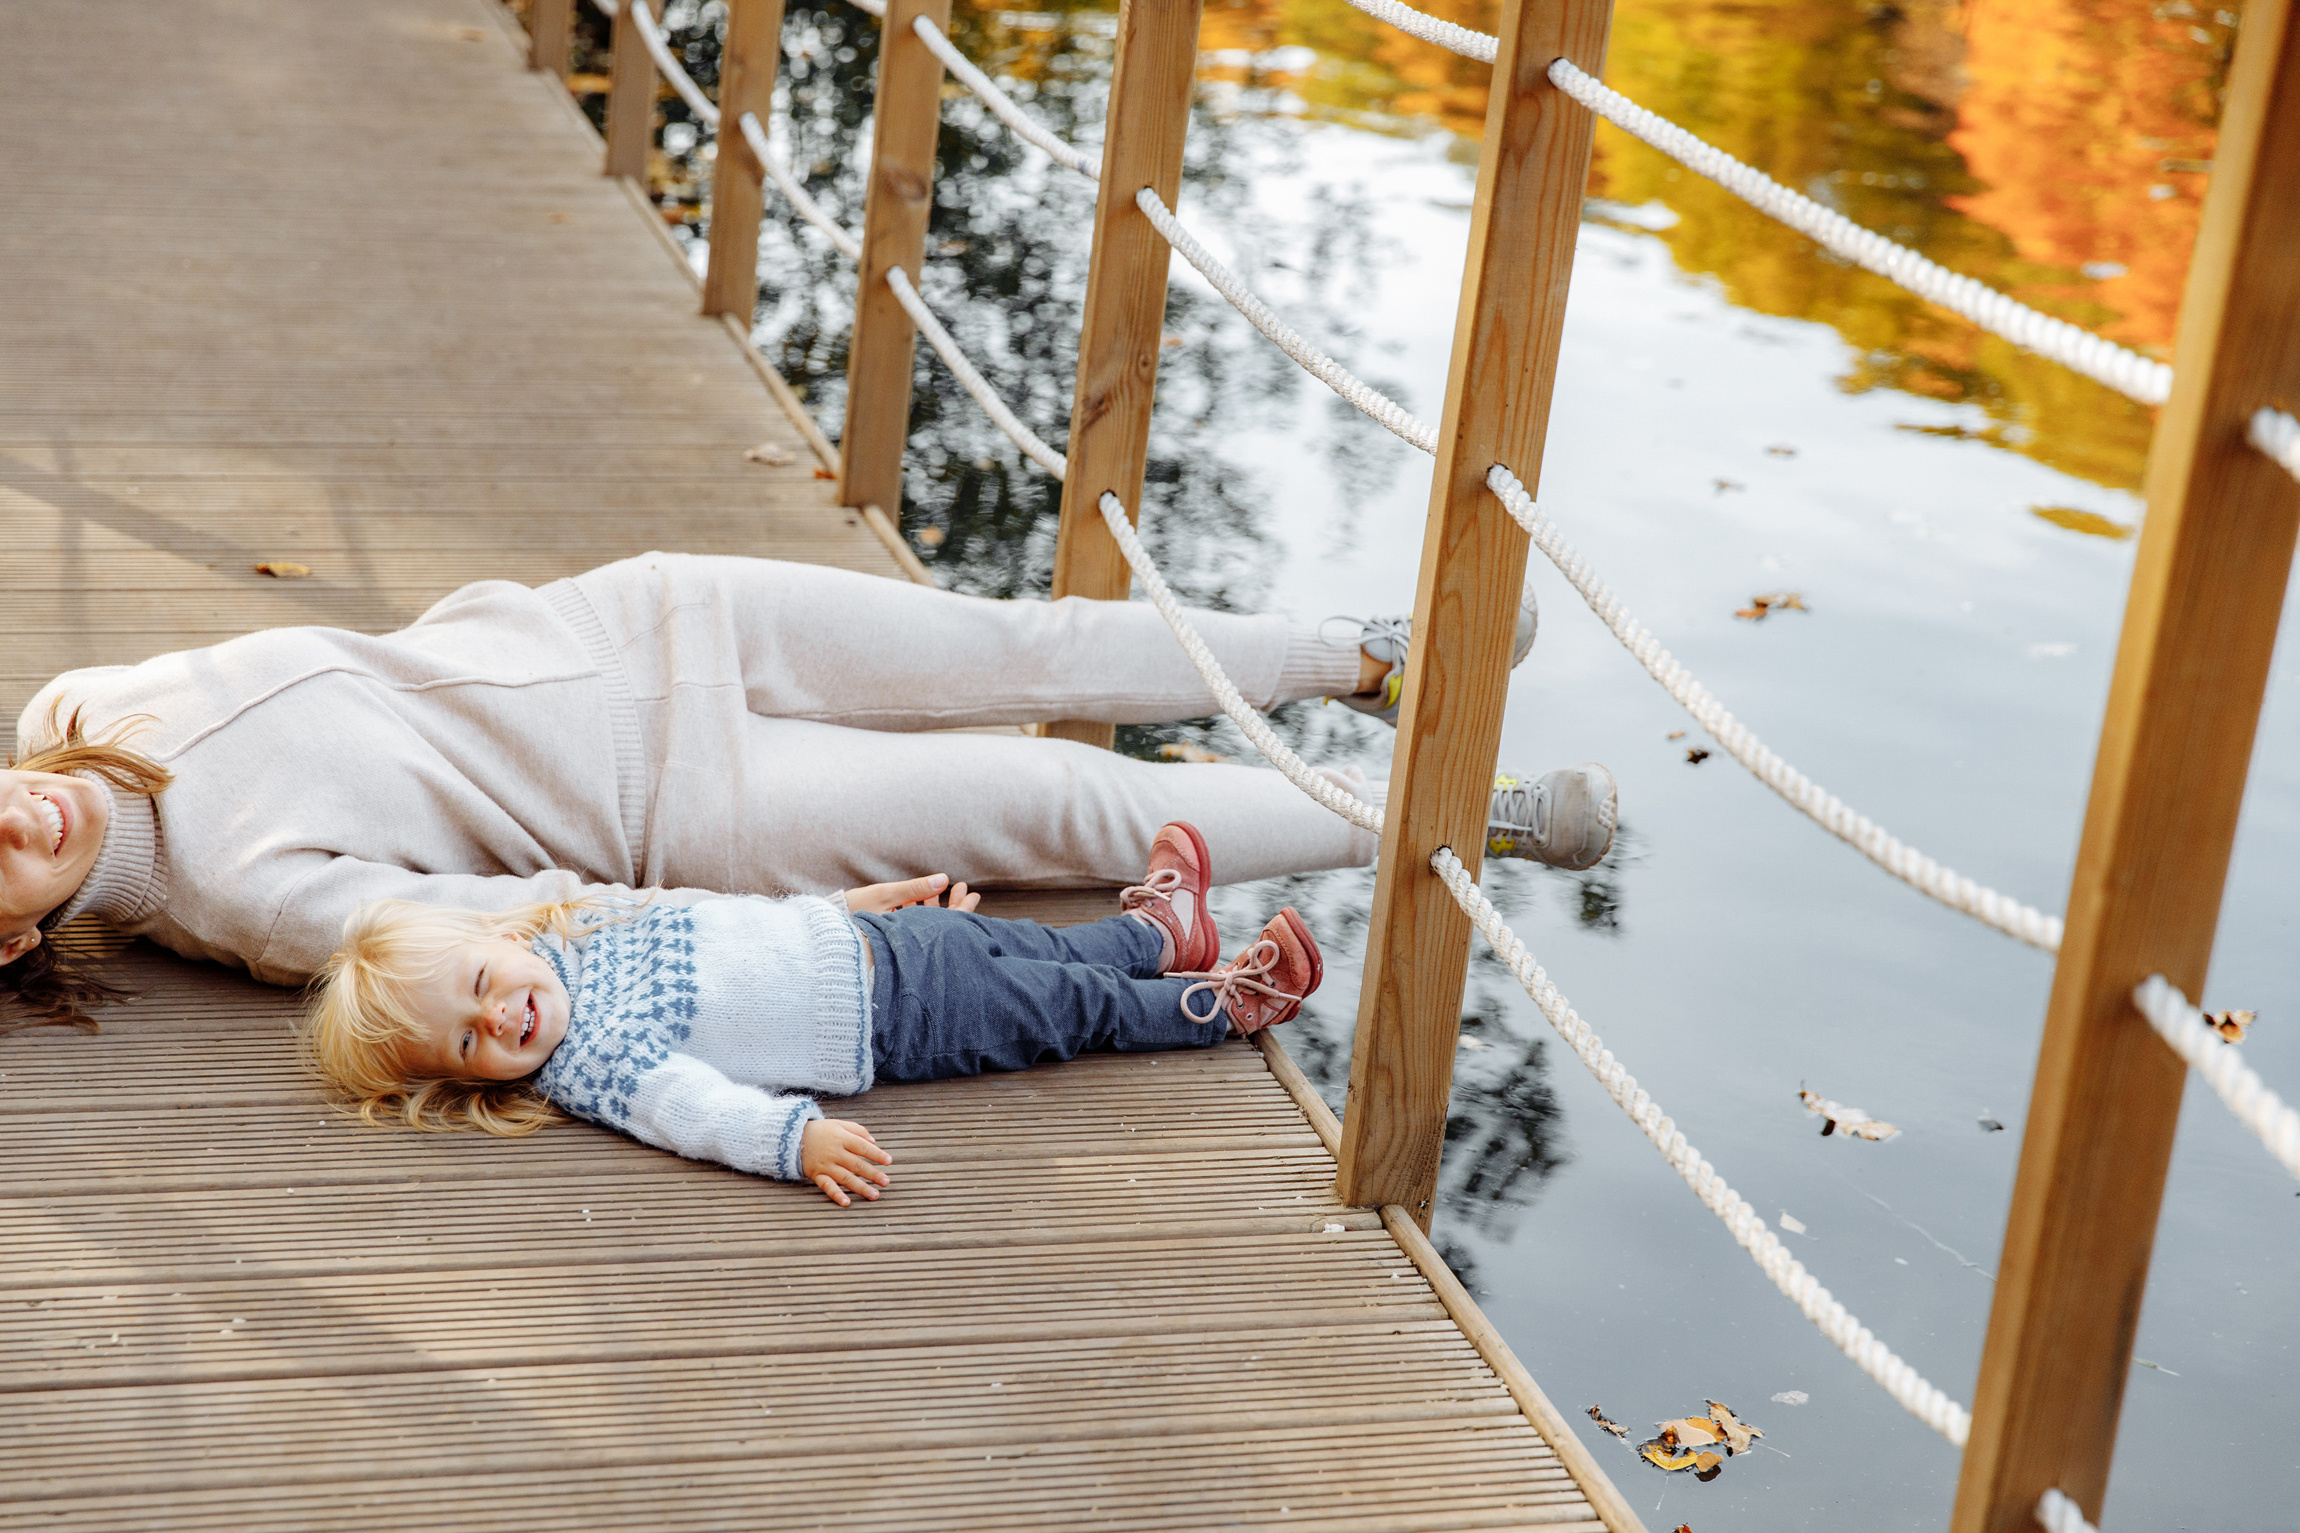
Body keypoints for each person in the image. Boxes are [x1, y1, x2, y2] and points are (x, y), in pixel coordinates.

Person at [4, 552, 1616, 1015]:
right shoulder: (251, 903)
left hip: (644, 615)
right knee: (1070, 816)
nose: (11, 825)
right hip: (697, 801)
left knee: (1018, 646)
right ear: (16, 941)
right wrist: (777, 922)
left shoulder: (70, 708)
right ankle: (1471, 813)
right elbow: (521, 921)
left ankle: (1372, 657)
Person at [301, 822, 1316, 1206]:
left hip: (883, 947)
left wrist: (847, 908)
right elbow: (696, 1111)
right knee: (1066, 1005)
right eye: (470, 1041)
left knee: (1047, 949)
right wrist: (799, 1142)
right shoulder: (595, 1064)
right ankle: (1218, 1003)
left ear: (508, 941)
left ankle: (1159, 934)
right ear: (464, 1081)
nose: (503, 1019)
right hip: (901, 1020)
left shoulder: (586, 936)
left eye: (485, 985)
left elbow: (734, 926)